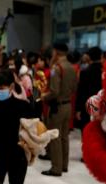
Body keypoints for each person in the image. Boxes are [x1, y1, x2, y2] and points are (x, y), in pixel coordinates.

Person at [0, 69, 36, 184]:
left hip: (18, 154)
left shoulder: (24, 106)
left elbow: (33, 130)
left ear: (11, 86)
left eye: (2, 87)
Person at [41, 43, 77, 177]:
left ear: (55, 52)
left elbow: (54, 91)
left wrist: (44, 96)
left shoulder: (57, 68)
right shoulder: (72, 67)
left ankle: (56, 168)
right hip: (68, 106)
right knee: (64, 137)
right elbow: (74, 88)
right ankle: (64, 165)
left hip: (57, 106)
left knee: (55, 137)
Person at [75, 46, 103, 130]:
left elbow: (81, 92)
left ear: (89, 57)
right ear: (101, 56)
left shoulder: (85, 72)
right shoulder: (105, 71)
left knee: (87, 131)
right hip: (103, 106)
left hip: (87, 106)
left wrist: (78, 109)